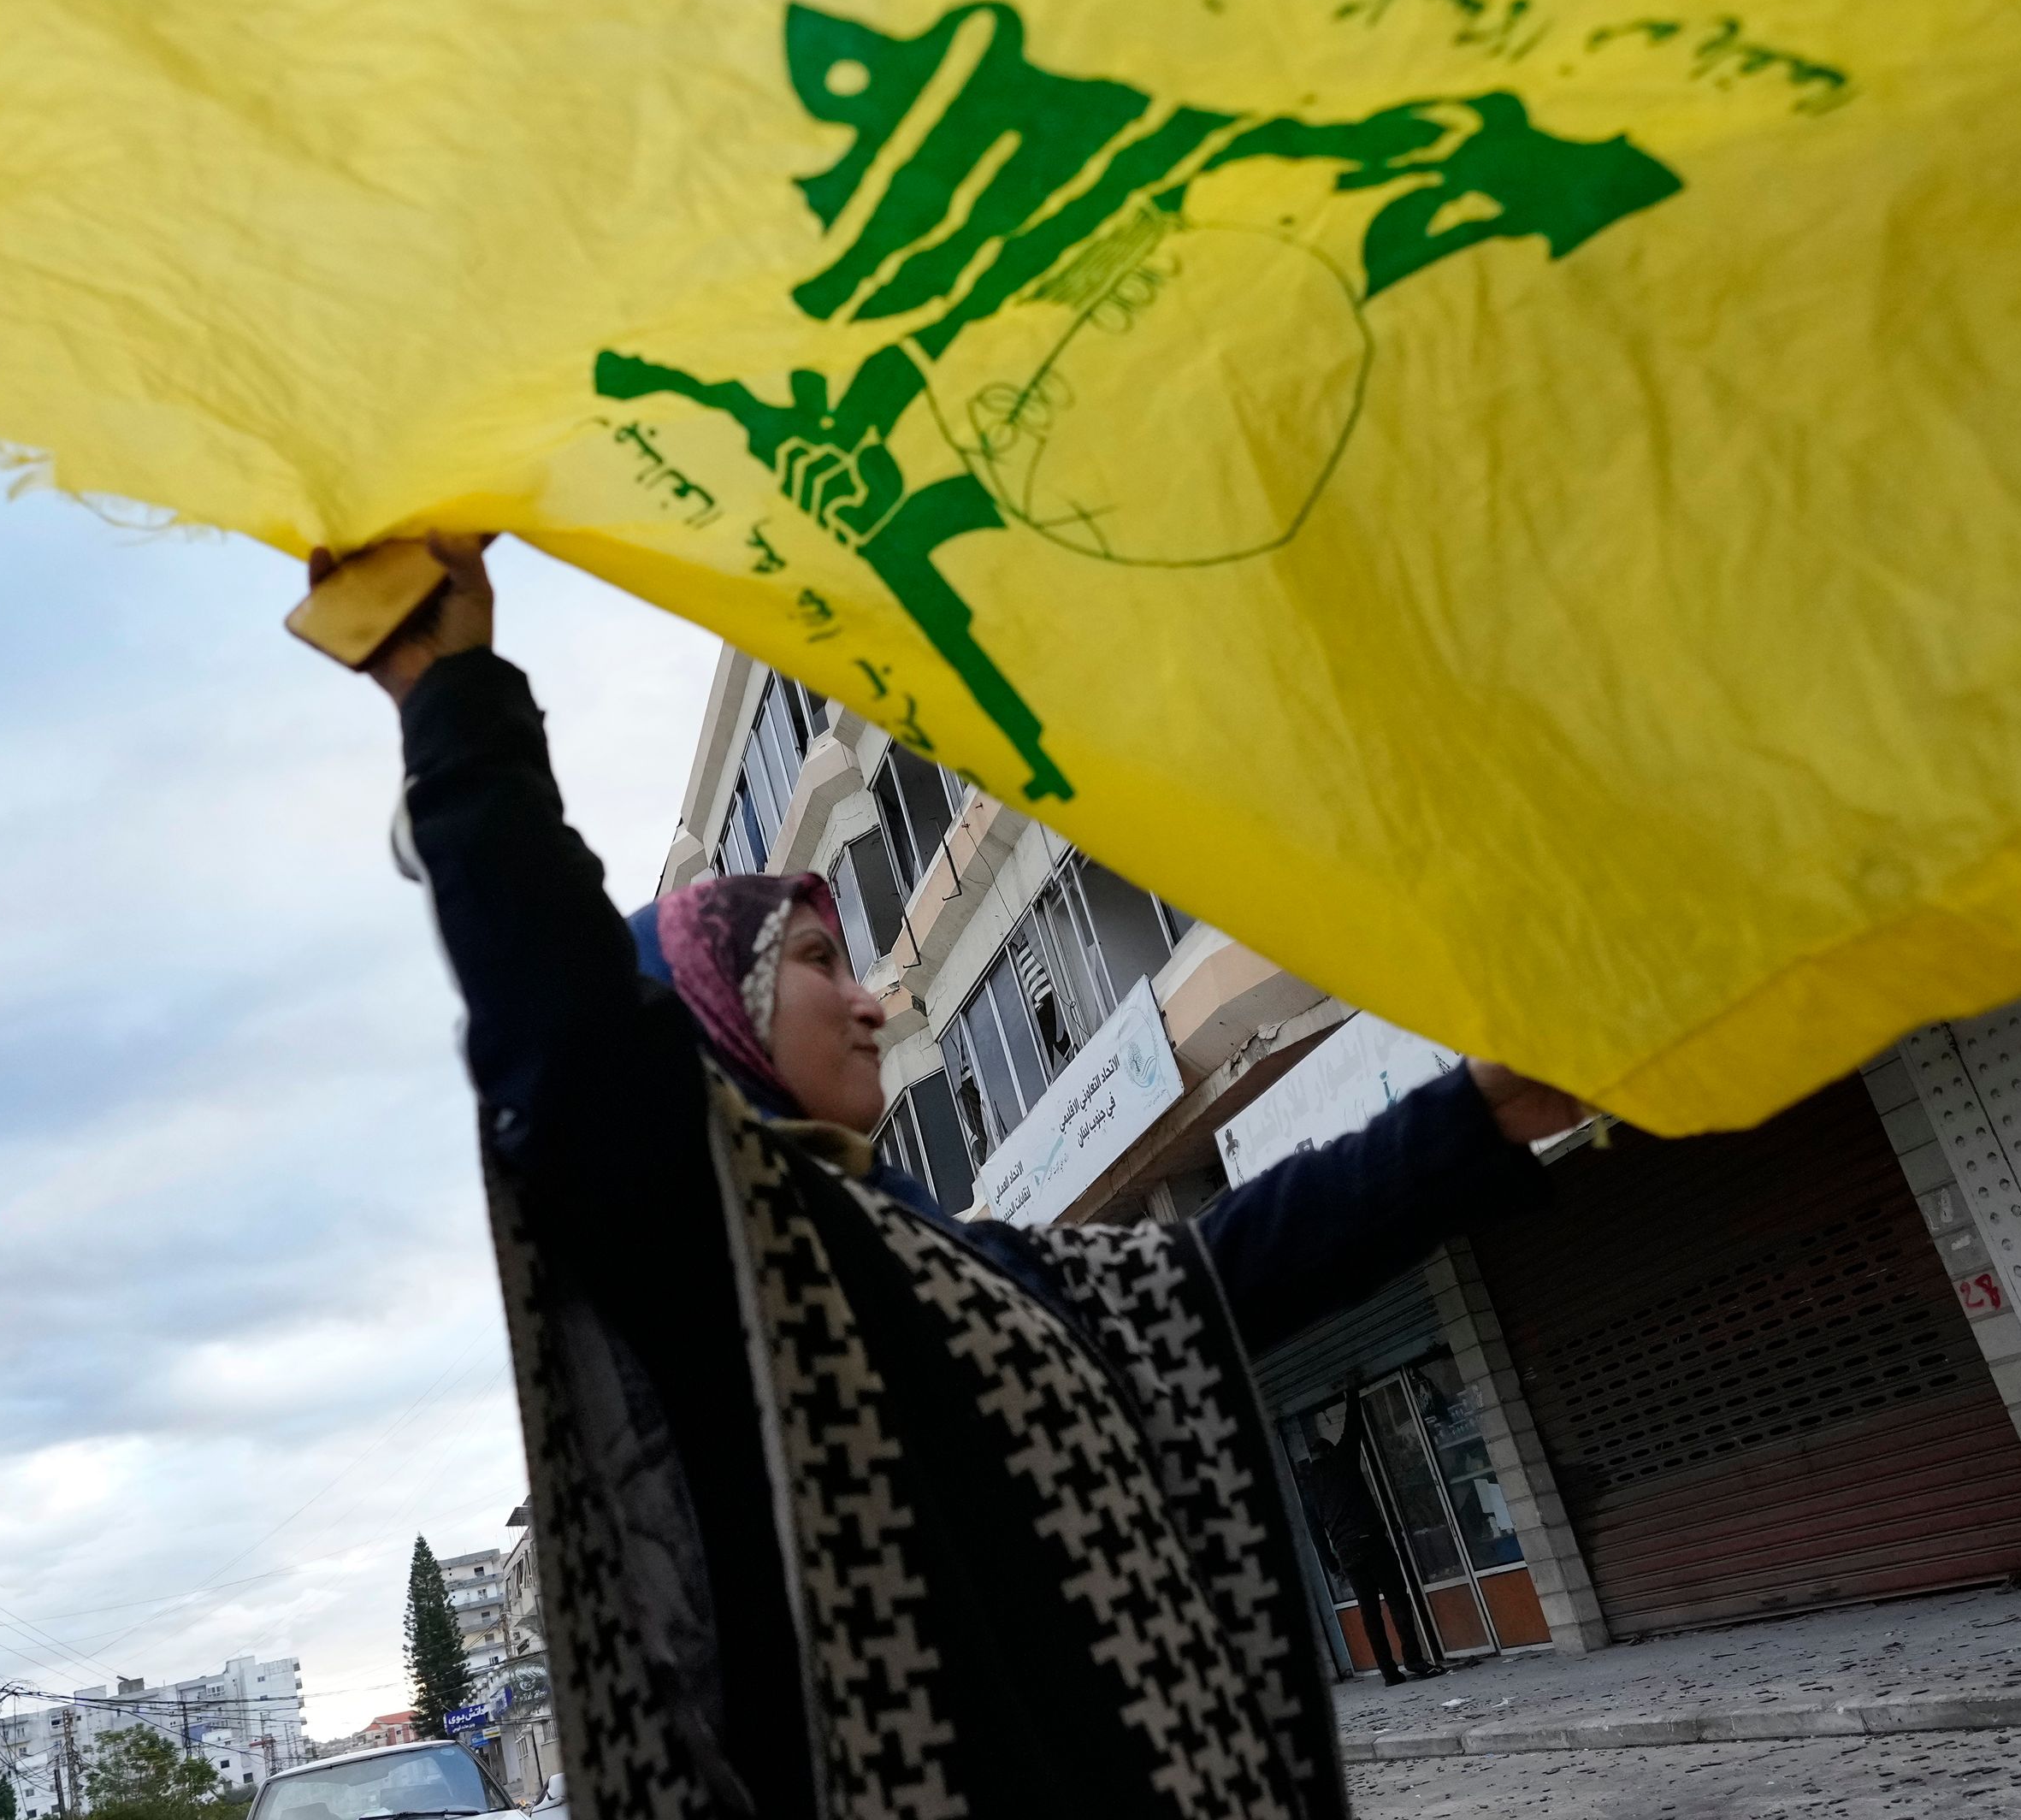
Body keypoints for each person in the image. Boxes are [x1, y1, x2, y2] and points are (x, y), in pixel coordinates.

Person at [318, 536, 1585, 1820]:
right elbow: (571, 1026)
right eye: (817, 962)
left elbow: (1209, 1266)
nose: (871, 1004)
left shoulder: (938, 1265)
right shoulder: (704, 1262)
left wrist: (1481, 1114)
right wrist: (454, 698)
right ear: (714, 1019)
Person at [1293, 1402, 1438, 1687]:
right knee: (1397, 1599)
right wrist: (1351, 1392)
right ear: (1330, 1451)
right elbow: (1353, 1427)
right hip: (1373, 1543)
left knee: (1369, 1612)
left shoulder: (1309, 1488)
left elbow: (1316, 1533)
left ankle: (1389, 1672)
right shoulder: (1344, 1459)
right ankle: (1414, 1659)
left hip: (1348, 1554)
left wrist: (1333, 1564)